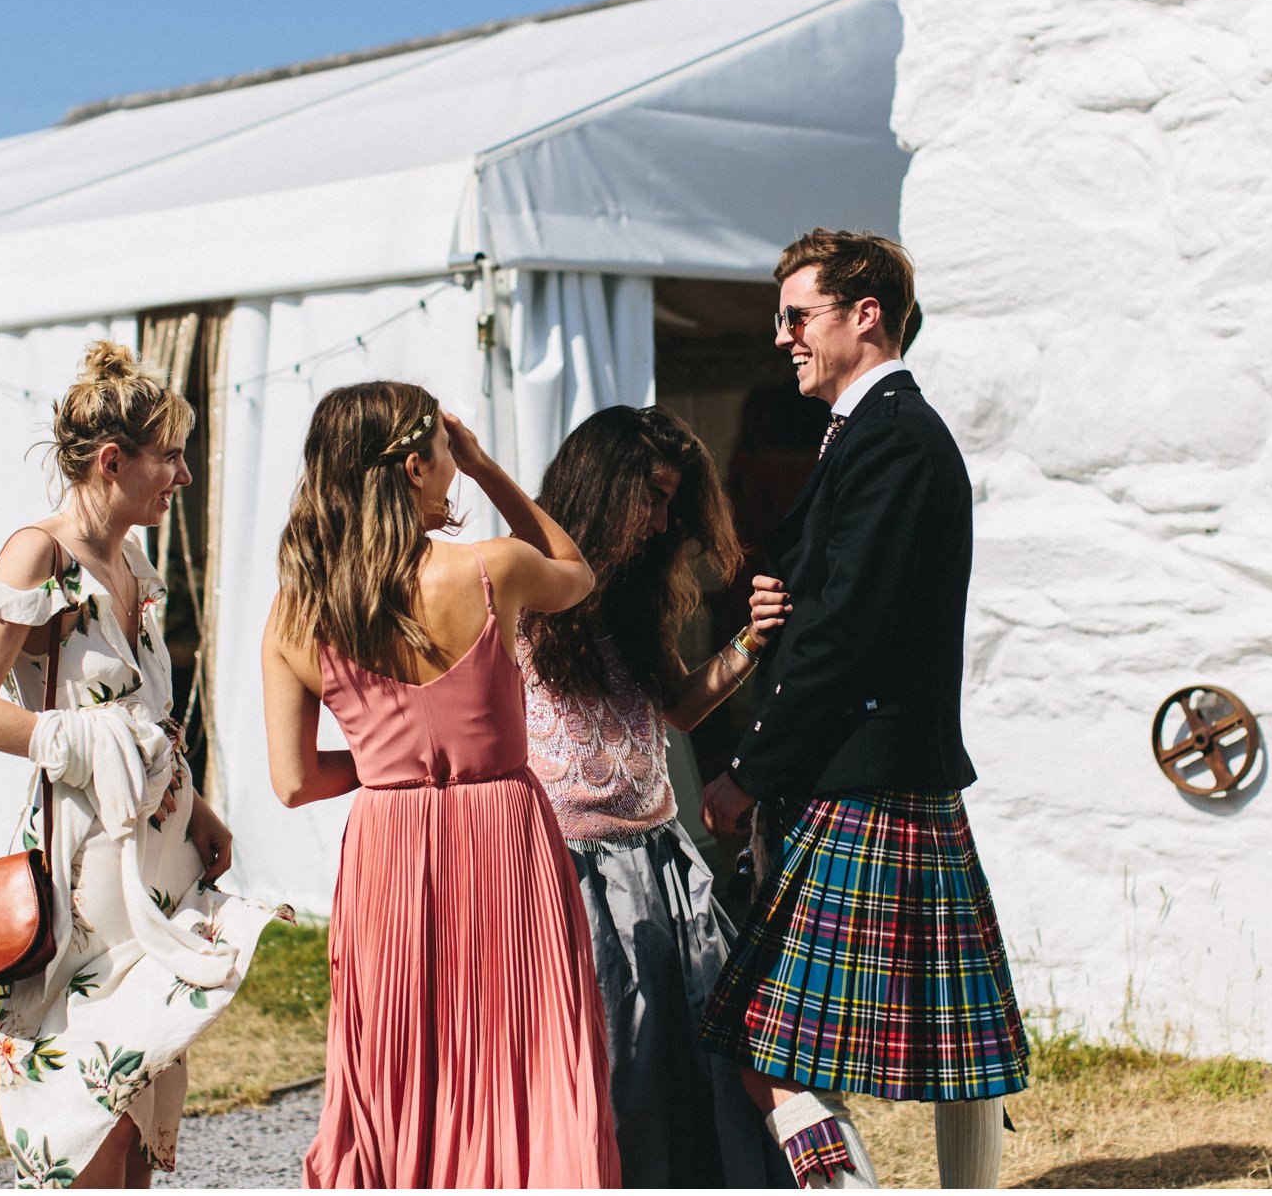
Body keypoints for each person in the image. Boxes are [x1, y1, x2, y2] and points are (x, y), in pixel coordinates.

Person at [697, 229, 1031, 1189]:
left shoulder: (891, 436)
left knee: (765, 1034)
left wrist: (750, 770)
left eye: (796, 316)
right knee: (957, 1041)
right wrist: (778, 601)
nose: (781, 337)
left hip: (864, 772)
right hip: (884, 769)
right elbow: (846, 597)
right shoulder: (876, 434)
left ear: (864, 315)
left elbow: (851, 631)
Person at [0, 340, 289, 1189]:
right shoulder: (40, 554)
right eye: (169, 455)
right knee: (86, 1103)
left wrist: (194, 801)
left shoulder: (133, 557)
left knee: (135, 1096)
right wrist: (81, 737)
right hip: (86, 862)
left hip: (158, 854)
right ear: (111, 460)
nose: (184, 475)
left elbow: (147, 712)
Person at [260, 381, 621, 1188]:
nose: (455, 460)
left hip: (391, 847)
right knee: (525, 1049)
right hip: (506, 838)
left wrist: (392, 765)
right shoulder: (495, 568)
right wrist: (492, 470)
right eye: (448, 449)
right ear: (418, 463)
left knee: (404, 1057)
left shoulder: (295, 613)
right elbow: (579, 572)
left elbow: (292, 781)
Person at [517, 405, 791, 1188]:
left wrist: (746, 643)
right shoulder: (524, 592)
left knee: (695, 1062)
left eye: (674, 501)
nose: (665, 520)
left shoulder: (634, 597)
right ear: (603, 491)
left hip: (662, 858)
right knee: (616, 1069)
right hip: (571, 868)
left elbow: (676, 704)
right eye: (654, 497)